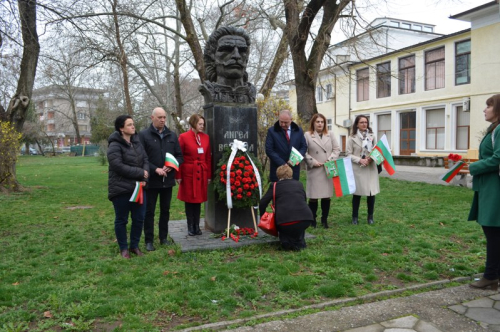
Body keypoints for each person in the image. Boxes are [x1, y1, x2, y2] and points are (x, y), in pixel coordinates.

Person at [139, 107, 183, 251]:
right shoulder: (144, 135)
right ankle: (149, 240)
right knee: (149, 211)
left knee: (165, 210)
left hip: (167, 181)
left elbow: (179, 156)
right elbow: (141, 158)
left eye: (164, 117)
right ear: (152, 118)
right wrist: (154, 169)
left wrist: (172, 166)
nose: (163, 120)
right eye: (159, 117)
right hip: (151, 181)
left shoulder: (172, 135)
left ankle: (163, 238)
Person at [468, 94, 500, 291]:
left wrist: (475, 167)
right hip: (489, 185)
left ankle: (490, 276)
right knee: (494, 232)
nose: (484, 110)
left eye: (488, 106)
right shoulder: (494, 129)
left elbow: (498, 158)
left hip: (495, 187)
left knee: (493, 231)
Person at [107, 115, 149, 259]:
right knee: (122, 220)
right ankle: (123, 248)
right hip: (121, 189)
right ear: (121, 128)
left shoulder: (137, 143)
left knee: (139, 218)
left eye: (133, 124)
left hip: (139, 188)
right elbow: (118, 166)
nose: (133, 126)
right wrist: (140, 172)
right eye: (129, 124)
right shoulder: (114, 145)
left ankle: (134, 246)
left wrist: (144, 177)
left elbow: (145, 160)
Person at [259, 165, 313, 251]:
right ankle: (298, 242)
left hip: (285, 221)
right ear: (291, 174)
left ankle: (287, 243)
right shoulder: (299, 184)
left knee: (286, 229)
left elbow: (263, 202)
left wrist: (262, 216)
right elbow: (303, 199)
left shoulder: (274, 185)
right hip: (306, 219)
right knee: (297, 227)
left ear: (277, 175)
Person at [199, 26, 256, 104]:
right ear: (212, 57)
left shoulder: (250, 93)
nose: (236, 55)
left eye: (242, 51)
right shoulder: (208, 91)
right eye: (227, 50)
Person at [175, 114, 212, 236]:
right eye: (200, 124)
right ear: (193, 123)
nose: (202, 126)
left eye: (203, 124)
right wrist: (178, 175)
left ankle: (197, 225)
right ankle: (190, 225)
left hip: (201, 172)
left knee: (198, 200)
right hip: (188, 173)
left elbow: (207, 158)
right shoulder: (183, 137)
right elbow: (179, 157)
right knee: (189, 200)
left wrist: (208, 175)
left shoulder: (206, 138)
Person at [304, 113, 340, 228]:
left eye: (322, 122)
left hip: (328, 168)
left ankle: (324, 219)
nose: (320, 124)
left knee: (326, 196)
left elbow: (336, 149)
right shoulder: (307, 135)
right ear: (313, 123)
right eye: (317, 122)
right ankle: (312, 219)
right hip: (315, 169)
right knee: (313, 196)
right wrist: (313, 162)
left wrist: (330, 160)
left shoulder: (330, 134)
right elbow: (304, 151)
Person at [346, 115, 380, 225]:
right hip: (358, 168)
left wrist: (371, 158)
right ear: (357, 124)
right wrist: (360, 160)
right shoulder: (352, 138)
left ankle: (370, 217)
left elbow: (377, 150)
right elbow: (348, 154)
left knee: (371, 193)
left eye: (366, 122)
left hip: (370, 168)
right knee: (357, 194)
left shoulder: (372, 136)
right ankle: (354, 217)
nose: (364, 124)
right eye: (361, 122)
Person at [265, 109, 307, 182]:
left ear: (291, 120)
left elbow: (303, 147)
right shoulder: (272, 131)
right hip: (278, 169)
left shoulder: (298, 130)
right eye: (281, 122)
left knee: (293, 192)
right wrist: (283, 163)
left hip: (294, 169)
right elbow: (269, 150)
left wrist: (295, 159)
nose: (283, 124)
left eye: (286, 122)